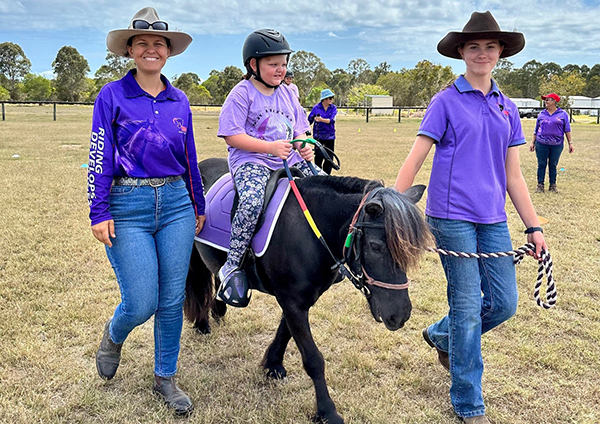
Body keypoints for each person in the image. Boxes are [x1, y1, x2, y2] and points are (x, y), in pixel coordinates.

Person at [395, 11, 547, 424]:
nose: (482, 53)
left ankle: (440, 336)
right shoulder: (445, 101)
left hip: (492, 218)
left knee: (504, 302)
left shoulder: (507, 107)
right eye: (474, 46)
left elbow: (514, 174)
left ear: (500, 53)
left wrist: (533, 226)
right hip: (450, 216)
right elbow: (417, 156)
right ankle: (468, 402)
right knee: (466, 306)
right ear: (461, 52)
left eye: (490, 46)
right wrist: (394, 205)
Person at [88, 7, 205, 415]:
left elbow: (190, 157)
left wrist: (198, 203)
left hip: (176, 204)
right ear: (130, 51)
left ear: (168, 52)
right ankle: (114, 335)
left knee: (172, 299)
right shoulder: (112, 96)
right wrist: (98, 210)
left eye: (158, 44)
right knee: (141, 301)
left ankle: (165, 377)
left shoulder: (180, 100)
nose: (150, 49)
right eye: (142, 44)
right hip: (127, 205)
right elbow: (99, 156)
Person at [216, 29, 318, 307]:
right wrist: (270, 148)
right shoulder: (242, 93)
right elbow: (231, 135)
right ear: (253, 65)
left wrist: (304, 145)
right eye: (273, 64)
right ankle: (232, 266)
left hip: (289, 159)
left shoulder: (287, 93)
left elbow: (300, 128)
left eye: (283, 64)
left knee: (324, 190)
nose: (280, 69)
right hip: (252, 161)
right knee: (250, 202)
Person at [530, 93, 574, 193]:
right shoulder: (541, 114)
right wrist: (533, 142)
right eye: (545, 100)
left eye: (548, 99)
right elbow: (536, 129)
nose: (546, 101)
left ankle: (552, 185)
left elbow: (567, 129)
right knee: (541, 164)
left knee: (553, 165)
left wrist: (570, 143)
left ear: (554, 101)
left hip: (557, 144)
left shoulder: (562, 114)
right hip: (541, 143)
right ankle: (540, 185)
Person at [308, 89, 337, 174]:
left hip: (330, 136)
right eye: (330, 98)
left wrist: (321, 120)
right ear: (324, 99)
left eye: (332, 98)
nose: (332, 100)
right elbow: (310, 119)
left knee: (329, 158)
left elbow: (332, 120)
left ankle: (327, 176)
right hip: (319, 136)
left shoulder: (333, 108)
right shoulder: (316, 108)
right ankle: (317, 175)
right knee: (319, 157)